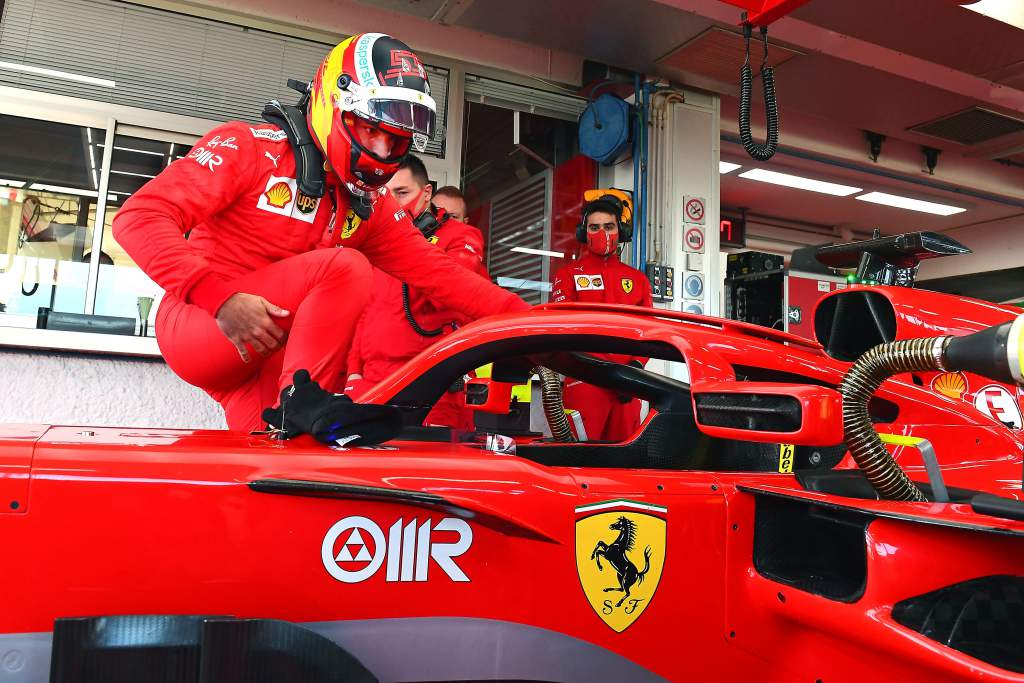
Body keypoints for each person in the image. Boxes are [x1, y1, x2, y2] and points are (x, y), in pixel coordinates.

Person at [112, 33, 526, 434]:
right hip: (202, 324)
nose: (382, 153)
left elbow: (443, 276)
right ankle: (300, 400)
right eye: (370, 130)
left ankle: (296, 413)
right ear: (333, 106)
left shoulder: (370, 205)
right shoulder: (250, 149)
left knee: (286, 470)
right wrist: (220, 300)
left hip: (266, 356)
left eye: (395, 140)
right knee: (344, 267)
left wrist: (532, 323)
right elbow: (138, 218)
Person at [346, 157, 484, 430]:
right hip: (372, 382)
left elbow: (449, 290)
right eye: (386, 194)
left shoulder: (461, 236)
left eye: (402, 192)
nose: (393, 202)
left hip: (429, 383)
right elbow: (366, 311)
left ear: (427, 193)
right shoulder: (377, 243)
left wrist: (414, 243)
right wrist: (353, 372)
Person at [550, 190, 653, 442]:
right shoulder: (567, 275)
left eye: (609, 226)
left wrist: (635, 370)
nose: (602, 233)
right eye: (594, 227)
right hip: (584, 384)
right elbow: (562, 330)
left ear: (622, 231)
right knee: (580, 463)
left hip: (626, 388)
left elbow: (649, 331)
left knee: (624, 466)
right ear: (583, 233)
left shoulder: (638, 280)